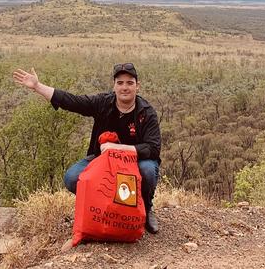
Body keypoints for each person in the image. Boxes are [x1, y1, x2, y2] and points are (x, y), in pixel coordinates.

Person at [12, 63, 161, 234]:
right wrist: (37, 87)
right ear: (114, 85)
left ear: (137, 86)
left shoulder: (146, 113)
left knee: (148, 170)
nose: (124, 87)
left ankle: (146, 208)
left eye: (129, 83)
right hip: (101, 160)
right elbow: (72, 101)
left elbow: (153, 148)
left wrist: (119, 149)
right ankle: (106, 208)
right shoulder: (103, 103)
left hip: (134, 163)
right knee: (72, 177)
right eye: (120, 83)